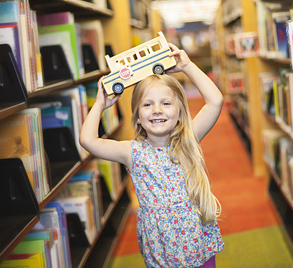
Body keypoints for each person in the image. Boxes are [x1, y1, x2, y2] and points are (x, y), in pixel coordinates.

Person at [80, 43, 224, 267]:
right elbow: (88, 141)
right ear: (138, 116)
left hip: (197, 241)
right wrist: (100, 104)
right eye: (147, 105)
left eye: (166, 103)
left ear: (179, 112)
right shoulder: (131, 152)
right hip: (160, 248)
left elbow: (215, 101)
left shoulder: (187, 140)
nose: (157, 110)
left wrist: (187, 67)